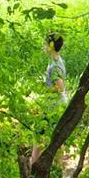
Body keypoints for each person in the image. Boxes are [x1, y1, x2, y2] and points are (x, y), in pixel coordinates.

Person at [31, 32, 67, 165]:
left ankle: (34, 167)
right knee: (53, 138)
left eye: (45, 44)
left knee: (39, 135)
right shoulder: (56, 60)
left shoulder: (56, 65)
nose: (43, 47)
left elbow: (60, 87)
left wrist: (43, 89)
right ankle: (55, 169)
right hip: (54, 104)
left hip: (53, 106)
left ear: (50, 45)